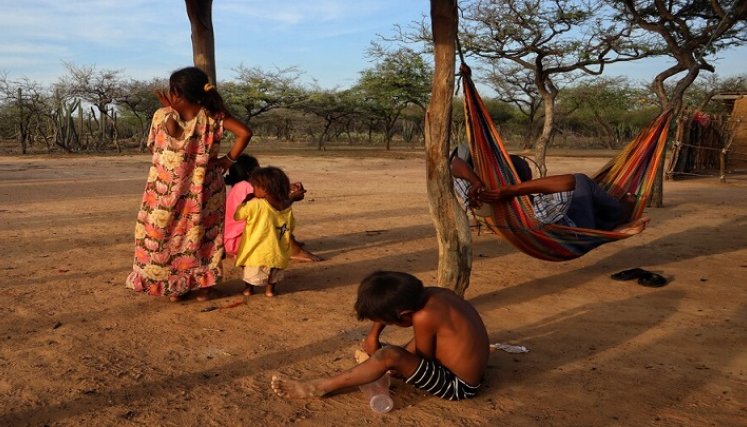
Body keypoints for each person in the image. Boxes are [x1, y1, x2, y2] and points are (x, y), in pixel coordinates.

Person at [126, 66, 252, 302]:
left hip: (164, 194)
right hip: (205, 191)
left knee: (163, 236)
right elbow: (244, 132)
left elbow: (157, 145)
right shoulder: (215, 116)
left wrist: (168, 109)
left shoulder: (162, 115)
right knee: (201, 236)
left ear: (176, 94)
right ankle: (203, 288)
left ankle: (174, 287)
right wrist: (228, 159)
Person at [270, 271, 490, 401]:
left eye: (387, 321)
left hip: (460, 386)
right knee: (393, 353)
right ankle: (377, 362)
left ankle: (319, 386)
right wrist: (372, 336)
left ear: (404, 315)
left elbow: (423, 361)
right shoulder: (432, 293)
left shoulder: (425, 317)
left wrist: (393, 367)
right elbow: (389, 304)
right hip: (464, 367)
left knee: (390, 355)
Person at [478, 173, 650, 235]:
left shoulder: (479, 199)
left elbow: (457, 161)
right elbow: (569, 181)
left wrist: (474, 182)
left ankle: (614, 215)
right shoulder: (537, 211)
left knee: (582, 194)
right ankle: (618, 216)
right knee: (581, 180)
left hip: (570, 218)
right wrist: (511, 190)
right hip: (578, 227)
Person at [224, 154, 321, 262]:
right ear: (250, 173)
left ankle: (289, 243)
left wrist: (287, 187)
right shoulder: (247, 186)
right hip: (240, 241)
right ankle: (293, 250)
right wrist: (292, 198)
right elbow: (275, 207)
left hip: (233, 241)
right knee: (277, 217)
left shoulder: (241, 187)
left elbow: (271, 192)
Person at [234, 166, 303, 297]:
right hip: (277, 250)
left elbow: (238, 215)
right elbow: (291, 225)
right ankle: (270, 290)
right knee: (275, 270)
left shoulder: (255, 204)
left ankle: (248, 289)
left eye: (255, 187)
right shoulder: (286, 207)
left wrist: (245, 200)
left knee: (251, 269)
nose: (253, 190)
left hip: (256, 249)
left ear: (264, 189)